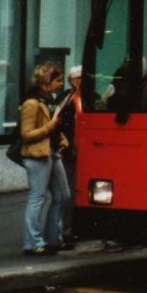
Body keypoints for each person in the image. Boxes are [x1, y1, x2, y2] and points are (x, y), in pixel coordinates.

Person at [19, 62, 71, 256]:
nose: (60, 84)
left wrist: (62, 138)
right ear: (47, 81)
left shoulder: (47, 100)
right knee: (37, 198)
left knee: (62, 195)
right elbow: (27, 134)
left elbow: (54, 127)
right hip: (37, 155)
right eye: (57, 80)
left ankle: (52, 239)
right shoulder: (31, 103)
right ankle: (33, 243)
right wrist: (51, 127)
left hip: (51, 152)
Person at [57, 65, 82, 242]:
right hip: (70, 149)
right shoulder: (67, 99)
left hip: (85, 149)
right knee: (69, 189)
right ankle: (66, 227)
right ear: (74, 80)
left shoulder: (87, 97)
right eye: (81, 77)